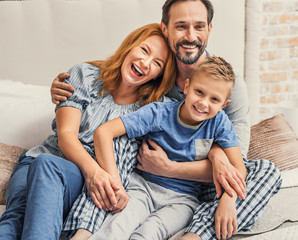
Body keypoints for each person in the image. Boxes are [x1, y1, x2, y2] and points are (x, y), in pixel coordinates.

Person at [51, 1, 282, 239]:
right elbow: (111, 86)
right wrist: (69, 87)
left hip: (202, 187)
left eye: (199, 26)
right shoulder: (153, 76)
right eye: (181, 26)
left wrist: (209, 158)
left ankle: (196, 234)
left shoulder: (230, 85)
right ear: (165, 29)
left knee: (267, 172)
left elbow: (236, 167)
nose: (191, 36)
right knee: (121, 143)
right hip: (146, 176)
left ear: (209, 29)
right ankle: (86, 229)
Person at [0, 23, 177, 240]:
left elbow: (202, 110)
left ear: (161, 74)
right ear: (130, 46)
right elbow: (66, 136)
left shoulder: (152, 108)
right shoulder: (84, 75)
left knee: (47, 166)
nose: (145, 63)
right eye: (144, 50)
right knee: (17, 214)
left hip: (78, 182)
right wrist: (94, 172)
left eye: (157, 63)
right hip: (41, 163)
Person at [72, 56, 246, 240]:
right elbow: (104, 132)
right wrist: (116, 184)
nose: (203, 103)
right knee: (117, 227)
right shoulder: (159, 113)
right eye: (199, 92)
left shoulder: (220, 123)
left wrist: (228, 199)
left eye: (214, 99)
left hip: (183, 200)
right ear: (187, 87)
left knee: (148, 233)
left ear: (223, 105)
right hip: (143, 187)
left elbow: (239, 167)